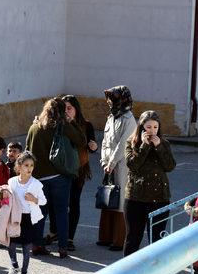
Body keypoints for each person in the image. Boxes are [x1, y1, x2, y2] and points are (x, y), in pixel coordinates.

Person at [25, 98, 86, 258]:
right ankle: (63, 247)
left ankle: (36, 245)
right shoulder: (63, 126)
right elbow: (81, 140)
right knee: (61, 211)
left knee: (40, 212)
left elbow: (27, 150)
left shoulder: (34, 127)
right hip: (59, 176)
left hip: (38, 177)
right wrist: (71, 122)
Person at [46, 95, 98, 251]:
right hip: (59, 169)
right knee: (54, 203)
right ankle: (55, 232)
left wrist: (93, 146)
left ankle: (69, 237)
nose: (67, 111)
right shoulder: (57, 123)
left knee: (73, 203)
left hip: (78, 170)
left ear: (76, 109)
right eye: (64, 108)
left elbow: (91, 145)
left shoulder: (86, 125)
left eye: (69, 108)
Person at [123, 110, 176, 257]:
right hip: (136, 198)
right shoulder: (131, 142)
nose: (152, 131)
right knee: (133, 239)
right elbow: (132, 165)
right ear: (141, 127)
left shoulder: (164, 143)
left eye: (155, 127)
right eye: (148, 127)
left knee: (157, 240)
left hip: (159, 198)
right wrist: (144, 146)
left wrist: (159, 147)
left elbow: (170, 166)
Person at [98, 86, 137, 251]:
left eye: (112, 99)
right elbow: (105, 141)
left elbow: (123, 144)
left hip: (121, 165)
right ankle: (105, 237)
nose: (109, 102)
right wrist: (104, 160)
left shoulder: (129, 119)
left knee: (119, 199)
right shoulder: (111, 117)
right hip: (109, 164)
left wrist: (112, 162)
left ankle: (119, 240)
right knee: (107, 198)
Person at [5, 151, 47, 274]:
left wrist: (34, 199)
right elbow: (8, 198)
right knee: (11, 244)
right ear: (19, 167)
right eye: (26, 165)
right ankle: (14, 266)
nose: (29, 168)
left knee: (26, 247)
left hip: (29, 218)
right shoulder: (12, 182)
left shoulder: (36, 184)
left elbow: (43, 201)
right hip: (15, 217)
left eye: (32, 165)